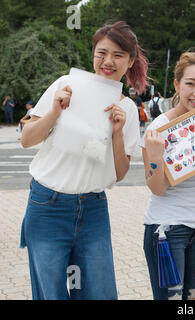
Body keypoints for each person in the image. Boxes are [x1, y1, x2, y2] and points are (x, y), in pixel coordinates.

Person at [19, 21, 147, 300]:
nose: (108, 62)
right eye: (102, 53)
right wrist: (55, 111)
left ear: (130, 60)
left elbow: (121, 172)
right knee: (51, 293)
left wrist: (116, 133)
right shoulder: (67, 85)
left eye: (118, 55)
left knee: (99, 293)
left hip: (93, 209)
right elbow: (27, 139)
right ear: (92, 53)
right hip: (47, 206)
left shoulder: (126, 108)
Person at [141, 50, 195, 300]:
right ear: (177, 84)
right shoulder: (158, 129)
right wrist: (156, 156)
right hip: (166, 230)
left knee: (192, 299)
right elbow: (157, 188)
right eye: (190, 84)